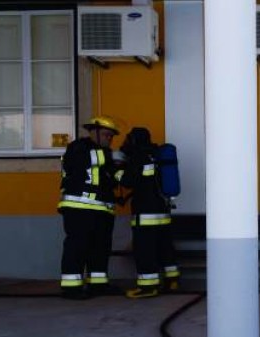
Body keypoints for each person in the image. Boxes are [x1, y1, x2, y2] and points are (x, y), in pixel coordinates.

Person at [57, 116, 123, 300]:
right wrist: (111, 156)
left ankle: (98, 284)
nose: (109, 138)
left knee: (100, 247)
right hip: (79, 207)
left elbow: (113, 176)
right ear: (93, 131)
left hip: (102, 209)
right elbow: (87, 161)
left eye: (111, 136)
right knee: (78, 246)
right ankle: (71, 288)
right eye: (106, 134)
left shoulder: (105, 155)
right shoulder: (79, 148)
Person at [118, 127, 180, 298]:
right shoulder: (158, 155)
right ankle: (172, 280)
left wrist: (116, 172)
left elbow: (127, 182)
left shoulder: (138, 157)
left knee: (145, 250)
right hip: (163, 213)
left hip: (145, 215)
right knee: (165, 248)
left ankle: (148, 287)